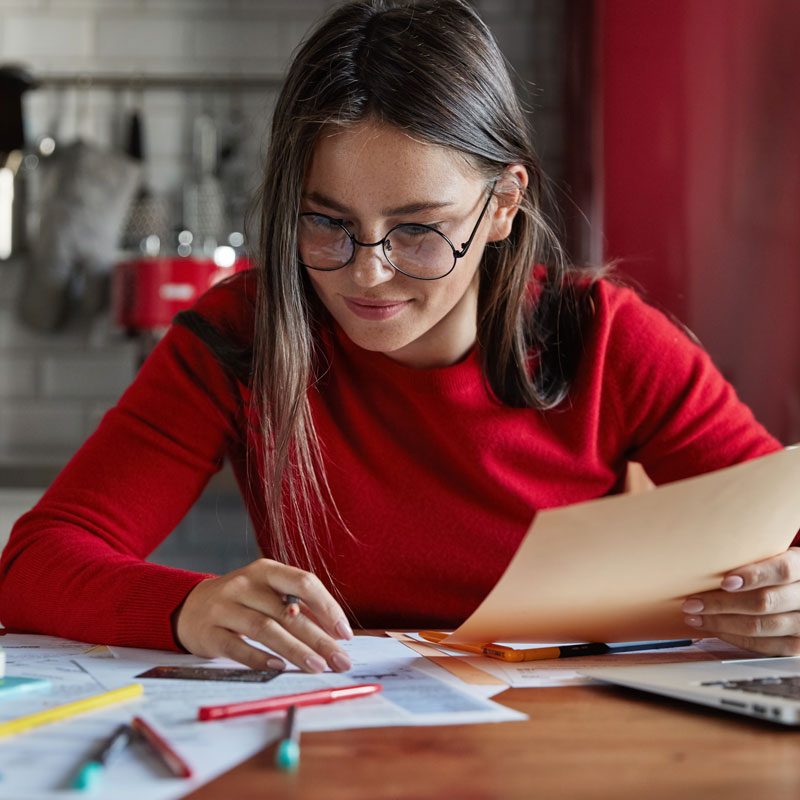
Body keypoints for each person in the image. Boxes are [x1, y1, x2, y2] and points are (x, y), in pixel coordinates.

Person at [0, 0, 795, 675]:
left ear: (504, 206)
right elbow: (34, 564)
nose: (368, 274)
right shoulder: (242, 333)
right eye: (328, 224)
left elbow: (781, 528)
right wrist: (188, 605)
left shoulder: (608, 339)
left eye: (418, 231)